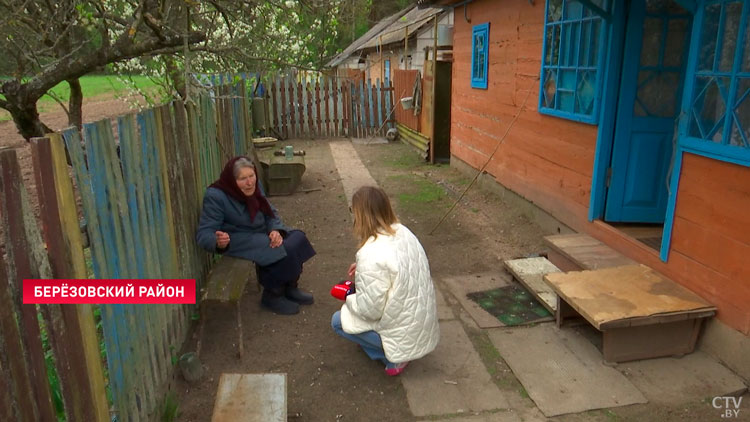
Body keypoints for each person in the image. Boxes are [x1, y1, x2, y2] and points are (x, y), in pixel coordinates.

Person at [331, 186, 439, 376]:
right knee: (356, 320)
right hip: (421, 319)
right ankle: (383, 345)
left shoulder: (370, 253)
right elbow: (397, 265)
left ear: (361, 215)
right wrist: (363, 269)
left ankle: (393, 356)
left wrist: (349, 296)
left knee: (338, 321)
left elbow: (370, 310)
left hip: (403, 330)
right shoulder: (403, 231)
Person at [196, 156, 315, 315]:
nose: (249, 182)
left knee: (297, 238)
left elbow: (270, 212)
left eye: (251, 176)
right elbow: (204, 233)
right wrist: (218, 241)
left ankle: (290, 287)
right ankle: (272, 295)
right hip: (238, 239)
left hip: (260, 232)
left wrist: (276, 230)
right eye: (243, 179)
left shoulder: (255, 186)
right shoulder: (217, 196)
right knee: (279, 249)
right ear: (232, 180)